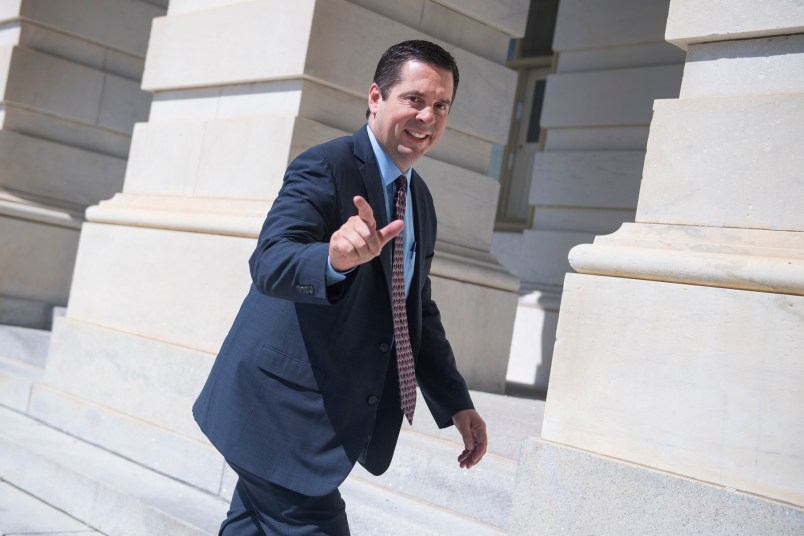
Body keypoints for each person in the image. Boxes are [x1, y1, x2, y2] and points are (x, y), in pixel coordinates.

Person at [193, 39, 487, 535]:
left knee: (249, 526)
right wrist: (331, 259)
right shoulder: (325, 166)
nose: (428, 117)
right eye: (414, 99)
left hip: (311, 420)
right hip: (279, 412)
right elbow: (270, 261)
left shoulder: (421, 201)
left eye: (441, 106)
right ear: (376, 97)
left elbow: (413, 307)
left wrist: (455, 400)